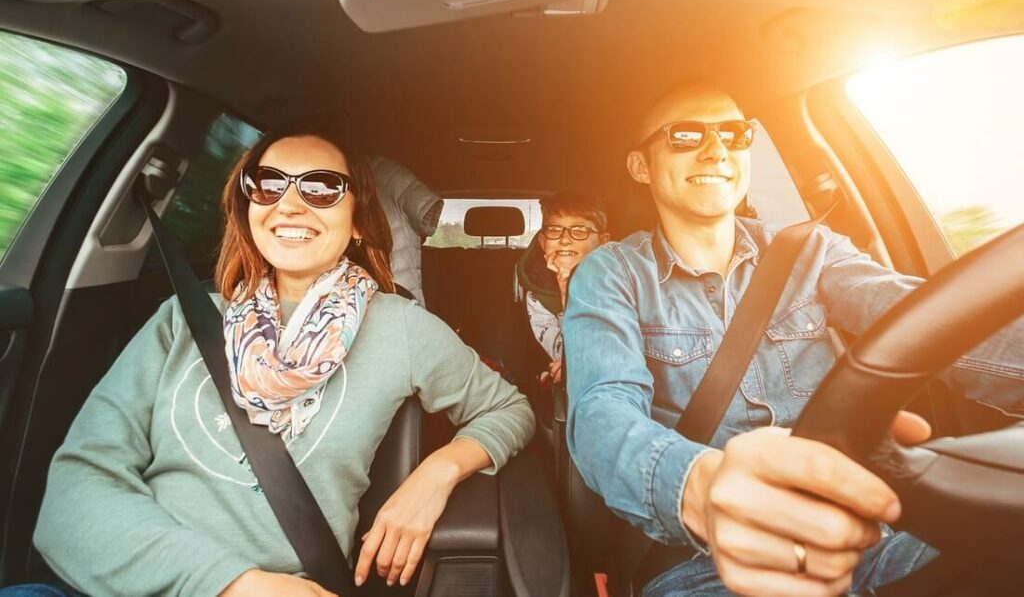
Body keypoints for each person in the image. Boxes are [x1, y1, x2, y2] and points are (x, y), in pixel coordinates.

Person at [20, 130, 534, 596]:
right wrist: (230, 583)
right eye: (267, 184)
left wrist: (435, 474)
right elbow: (73, 497)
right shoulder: (183, 319)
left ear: (358, 222)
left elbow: (510, 410)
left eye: (322, 187)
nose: (290, 204)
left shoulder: (401, 326)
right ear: (247, 207)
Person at [562, 82, 1024, 597]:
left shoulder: (812, 251)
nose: (717, 150)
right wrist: (704, 487)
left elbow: (928, 320)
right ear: (640, 166)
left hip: (867, 535)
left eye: (735, 134)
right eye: (685, 135)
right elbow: (602, 412)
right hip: (707, 562)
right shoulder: (612, 274)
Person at [514, 189, 609, 385]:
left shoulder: (622, 282)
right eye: (555, 230)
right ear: (542, 241)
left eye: (580, 230)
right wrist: (565, 287)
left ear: (603, 241)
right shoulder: (538, 292)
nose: (565, 239)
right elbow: (564, 354)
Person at [367, 155, 442, 307]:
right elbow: (426, 222)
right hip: (399, 279)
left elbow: (427, 219)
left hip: (395, 278)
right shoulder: (388, 173)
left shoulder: (386, 173)